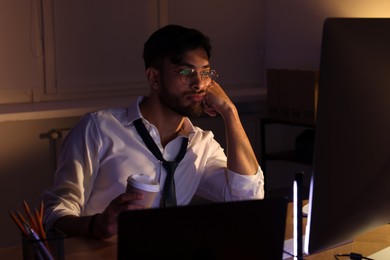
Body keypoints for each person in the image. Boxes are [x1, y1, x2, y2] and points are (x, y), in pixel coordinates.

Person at [43, 24, 264, 240]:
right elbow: (55, 213)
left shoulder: (201, 144)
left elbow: (248, 197)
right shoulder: (99, 128)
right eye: (186, 72)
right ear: (154, 78)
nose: (199, 84)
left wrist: (230, 112)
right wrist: (98, 225)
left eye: (205, 73)